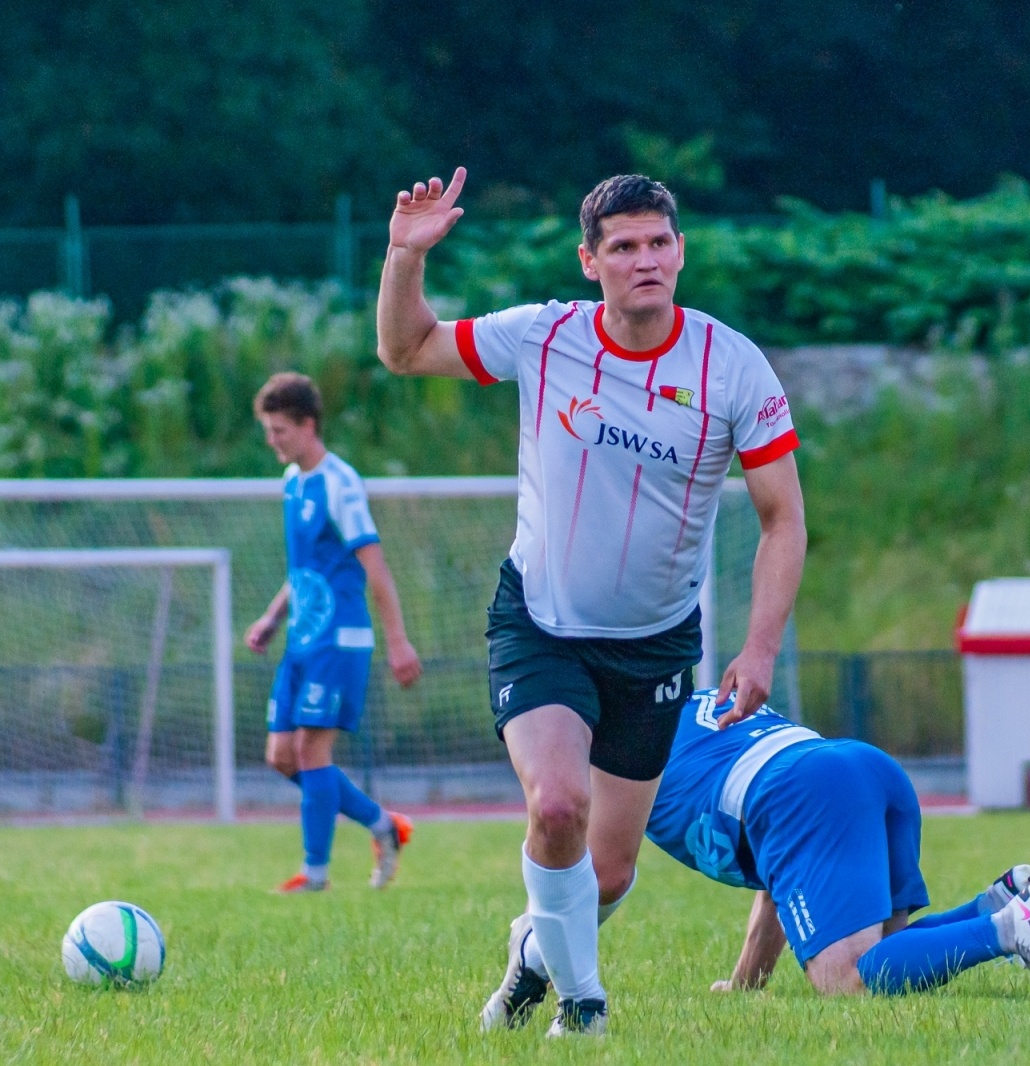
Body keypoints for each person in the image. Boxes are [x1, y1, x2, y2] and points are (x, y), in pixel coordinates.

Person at [377, 170, 806, 1035]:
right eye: (623, 247)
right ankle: (585, 1006)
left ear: (680, 252)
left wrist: (759, 647)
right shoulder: (544, 337)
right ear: (590, 261)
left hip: (653, 647)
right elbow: (405, 349)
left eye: (658, 243)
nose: (644, 260)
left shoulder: (733, 367)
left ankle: (534, 958)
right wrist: (402, 258)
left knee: (605, 875)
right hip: (540, 625)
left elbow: (783, 521)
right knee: (558, 805)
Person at [483, 690, 1030, 1016]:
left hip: (804, 794)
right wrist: (748, 984)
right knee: (885, 963)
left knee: (846, 979)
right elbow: (780, 870)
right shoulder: (678, 703)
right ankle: (1002, 898)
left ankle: (1008, 929)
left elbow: (597, 876)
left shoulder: (618, 753)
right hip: (861, 765)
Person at [245, 372, 423, 893]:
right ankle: (383, 825)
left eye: (279, 430)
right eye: (268, 430)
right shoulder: (293, 482)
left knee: (311, 754)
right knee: (281, 756)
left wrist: (398, 641)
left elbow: (375, 566)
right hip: (302, 638)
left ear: (308, 425)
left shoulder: (340, 484)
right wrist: (272, 617)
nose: (272, 440)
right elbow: (305, 568)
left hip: (340, 640)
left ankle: (315, 877)